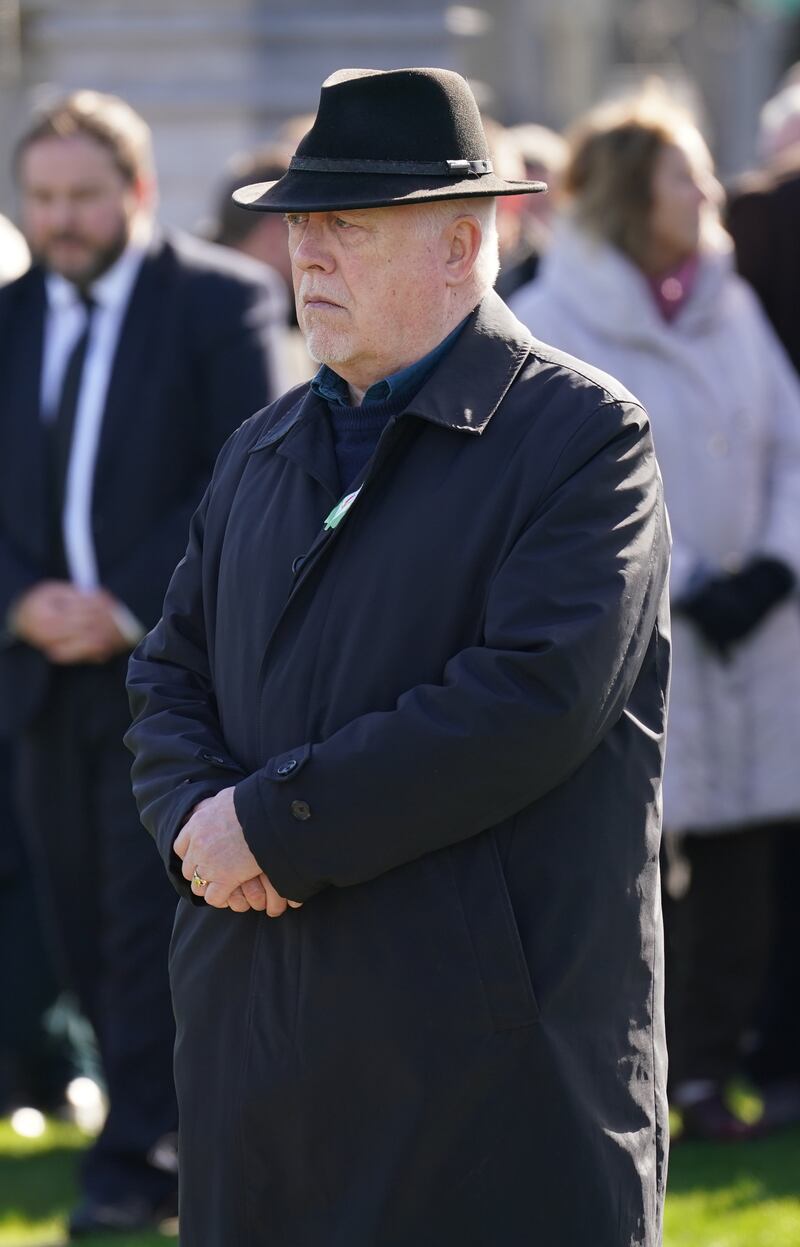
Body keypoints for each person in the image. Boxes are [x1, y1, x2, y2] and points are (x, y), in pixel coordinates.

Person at [126, 66, 670, 1246]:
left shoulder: (583, 440)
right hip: (262, 1050)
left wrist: (271, 826)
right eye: (300, 227)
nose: (306, 257)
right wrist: (196, 826)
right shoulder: (261, 446)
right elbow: (168, 673)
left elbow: (528, 698)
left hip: (482, 1077)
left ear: (461, 244)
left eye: (347, 229)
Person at [0, 89, 286, 1236]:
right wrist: (23, 599)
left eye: (83, 195)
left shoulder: (220, 301)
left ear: (138, 192)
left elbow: (247, 474)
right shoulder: (6, 316)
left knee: (147, 919)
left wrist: (120, 603)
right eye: (44, 196)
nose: (63, 219)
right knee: (74, 912)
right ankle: (143, 1131)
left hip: (167, 668)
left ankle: (141, 1158)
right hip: (34, 675)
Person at [512, 90, 800, 1141]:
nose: (711, 192)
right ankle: (633, 1079)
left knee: (741, 868)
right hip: (636, 631)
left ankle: (709, 1075)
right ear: (636, 189)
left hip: (754, 629)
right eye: (687, 174)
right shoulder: (552, 318)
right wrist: (668, 584)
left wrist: (774, 560)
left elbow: (786, 444)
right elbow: (552, 485)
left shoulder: (729, 302)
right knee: (630, 866)